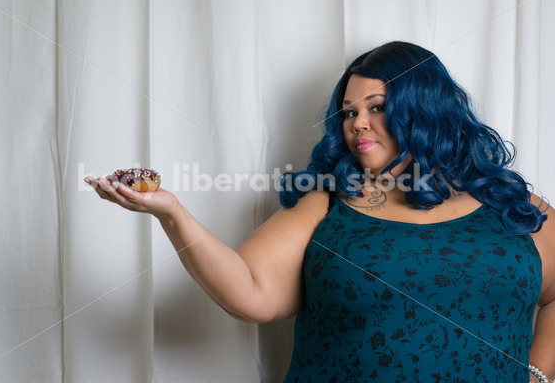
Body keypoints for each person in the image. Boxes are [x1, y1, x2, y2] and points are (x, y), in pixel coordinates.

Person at [85, 41, 554, 382]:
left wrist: (538, 372)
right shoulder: (327, 200)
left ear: (426, 110)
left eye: (376, 106)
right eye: (348, 112)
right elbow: (250, 293)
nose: (357, 123)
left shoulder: (512, 204)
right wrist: (173, 214)